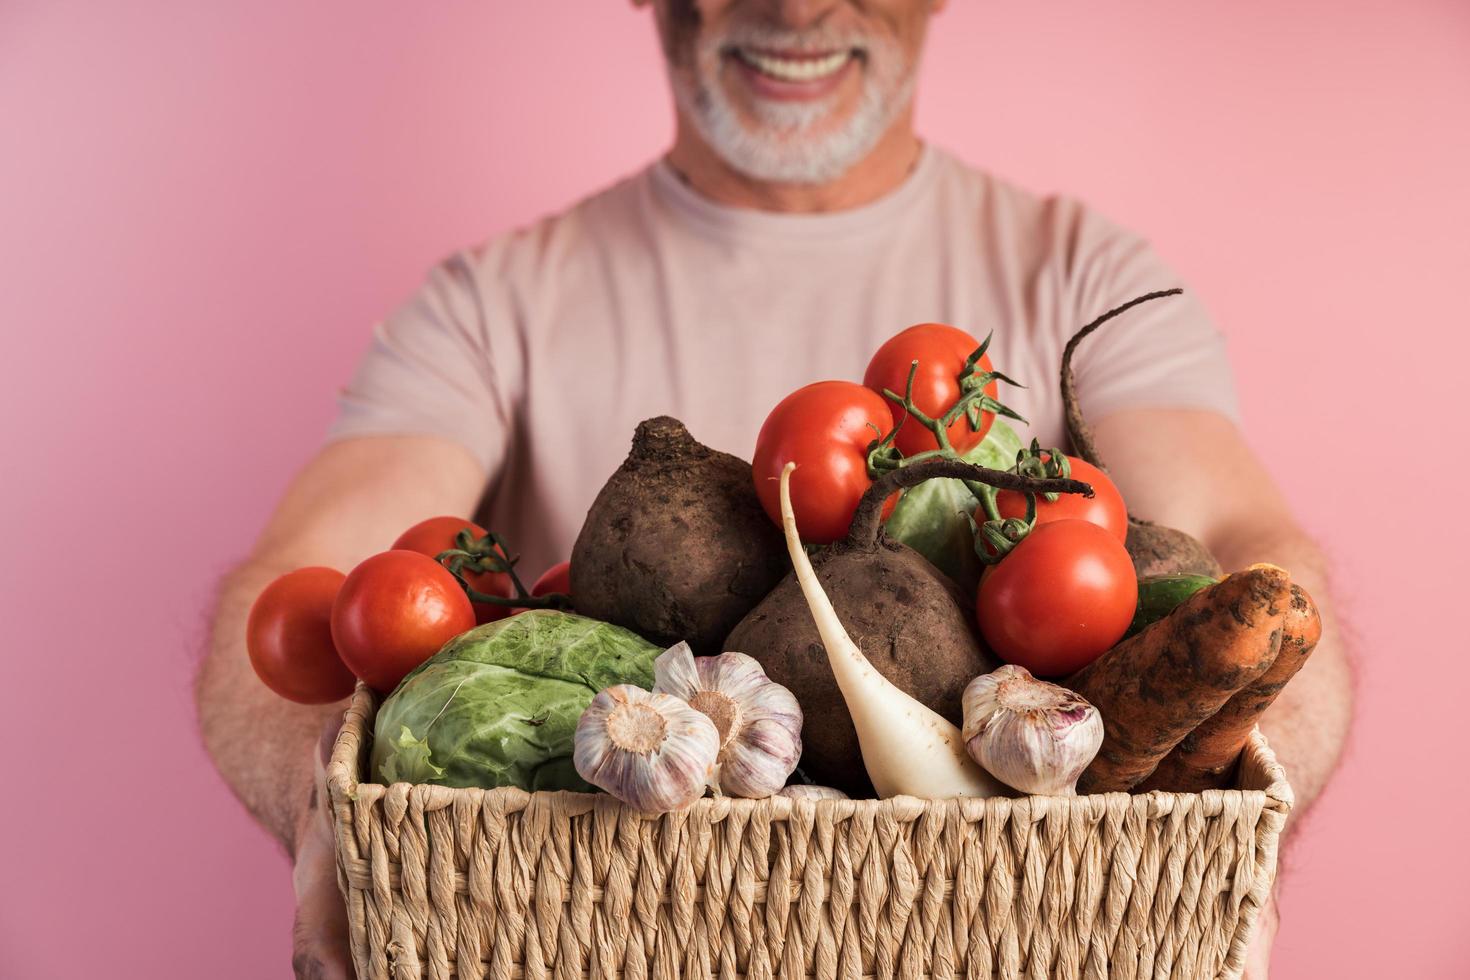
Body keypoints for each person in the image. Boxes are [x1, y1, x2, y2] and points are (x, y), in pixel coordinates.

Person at [195, 2, 1353, 977]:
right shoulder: (485, 302)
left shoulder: (1089, 276)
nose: (795, 5)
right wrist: (327, 807)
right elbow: (306, 582)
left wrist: (1232, 832)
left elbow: (1247, 549)